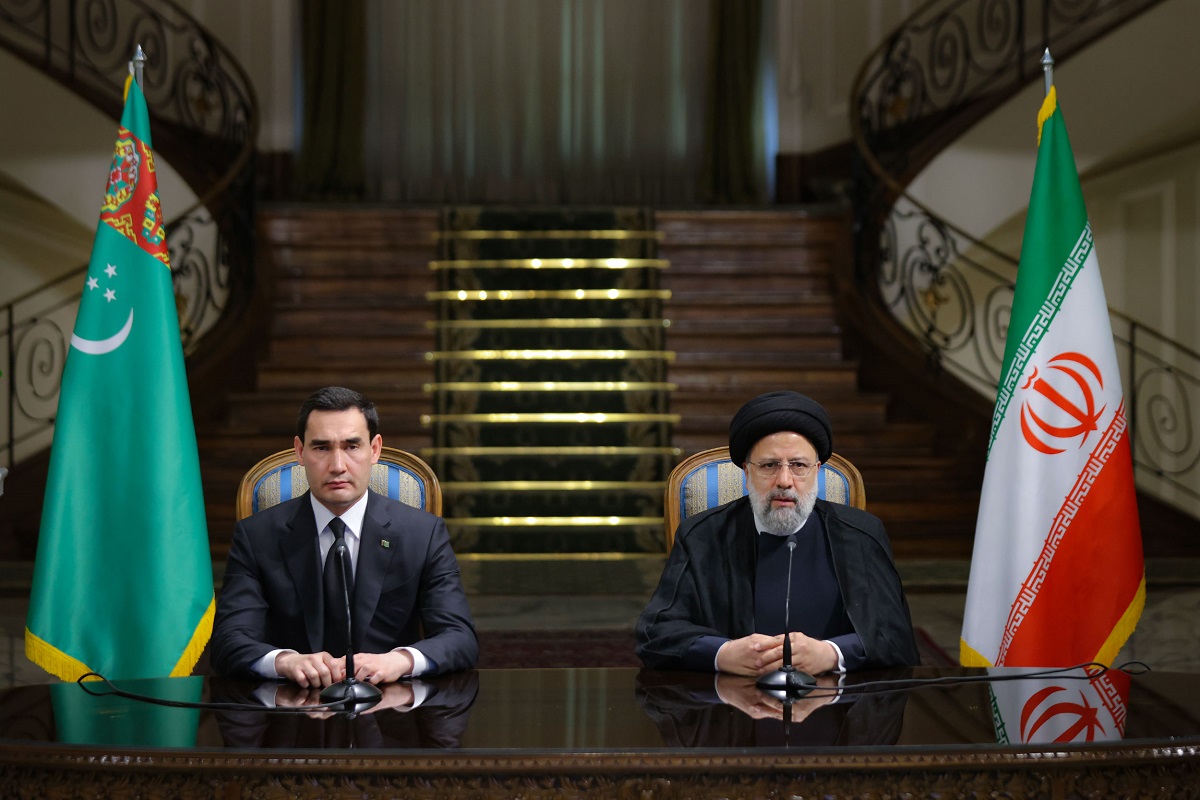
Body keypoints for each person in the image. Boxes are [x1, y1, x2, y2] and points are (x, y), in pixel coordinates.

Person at [636, 390, 920, 676]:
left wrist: (832, 654)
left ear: (817, 471)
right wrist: (722, 653)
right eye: (769, 465)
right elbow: (656, 633)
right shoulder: (702, 536)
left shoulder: (861, 534)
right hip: (732, 697)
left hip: (834, 696)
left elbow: (896, 636)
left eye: (798, 466)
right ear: (747, 472)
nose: (784, 481)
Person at [211, 386, 478, 687]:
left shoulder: (422, 533)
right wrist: (284, 661)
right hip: (292, 703)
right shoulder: (256, 536)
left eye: (352, 446)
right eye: (322, 448)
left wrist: (400, 660)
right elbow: (228, 641)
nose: (338, 466)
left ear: (374, 450)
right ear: (300, 451)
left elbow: (460, 637)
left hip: (388, 702)